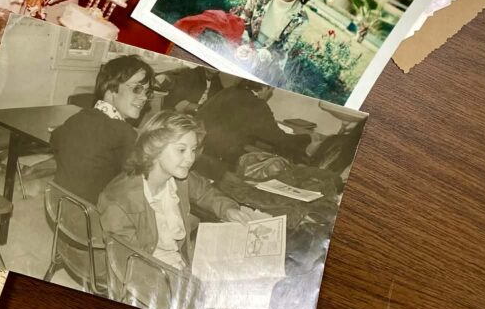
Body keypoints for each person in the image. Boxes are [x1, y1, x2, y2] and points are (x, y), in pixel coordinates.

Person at [97, 114, 256, 276]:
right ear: (154, 148)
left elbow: (206, 192)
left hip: (177, 264)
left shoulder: (180, 179)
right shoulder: (118, 200)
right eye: (181, 150)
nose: (190, 158)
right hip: (147, 275)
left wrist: (228, 210)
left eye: (193, 150)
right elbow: (127, 263)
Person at [49, 55, 154, 205]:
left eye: (147, 92)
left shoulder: (77, 118)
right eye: (137, 89)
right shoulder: (124, 132)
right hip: (91, 214)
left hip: (58, 206)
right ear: (110, 90)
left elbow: (55, 138)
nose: (144, 98)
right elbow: (142, 176)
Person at [192, 80, 311, 180]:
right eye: (271, 90)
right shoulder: (256, 104)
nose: (270, 93)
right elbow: (279, 139)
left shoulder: (229, 91)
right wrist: (308, 138)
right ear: (264, 87)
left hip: (199, 152)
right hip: (219, 161)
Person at [231, 0, 320, 82]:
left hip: (268, 62)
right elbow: (242, 23)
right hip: (243, 46)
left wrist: (256, 56)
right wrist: (244, 48)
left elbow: (281, 51)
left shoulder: (301, 19)